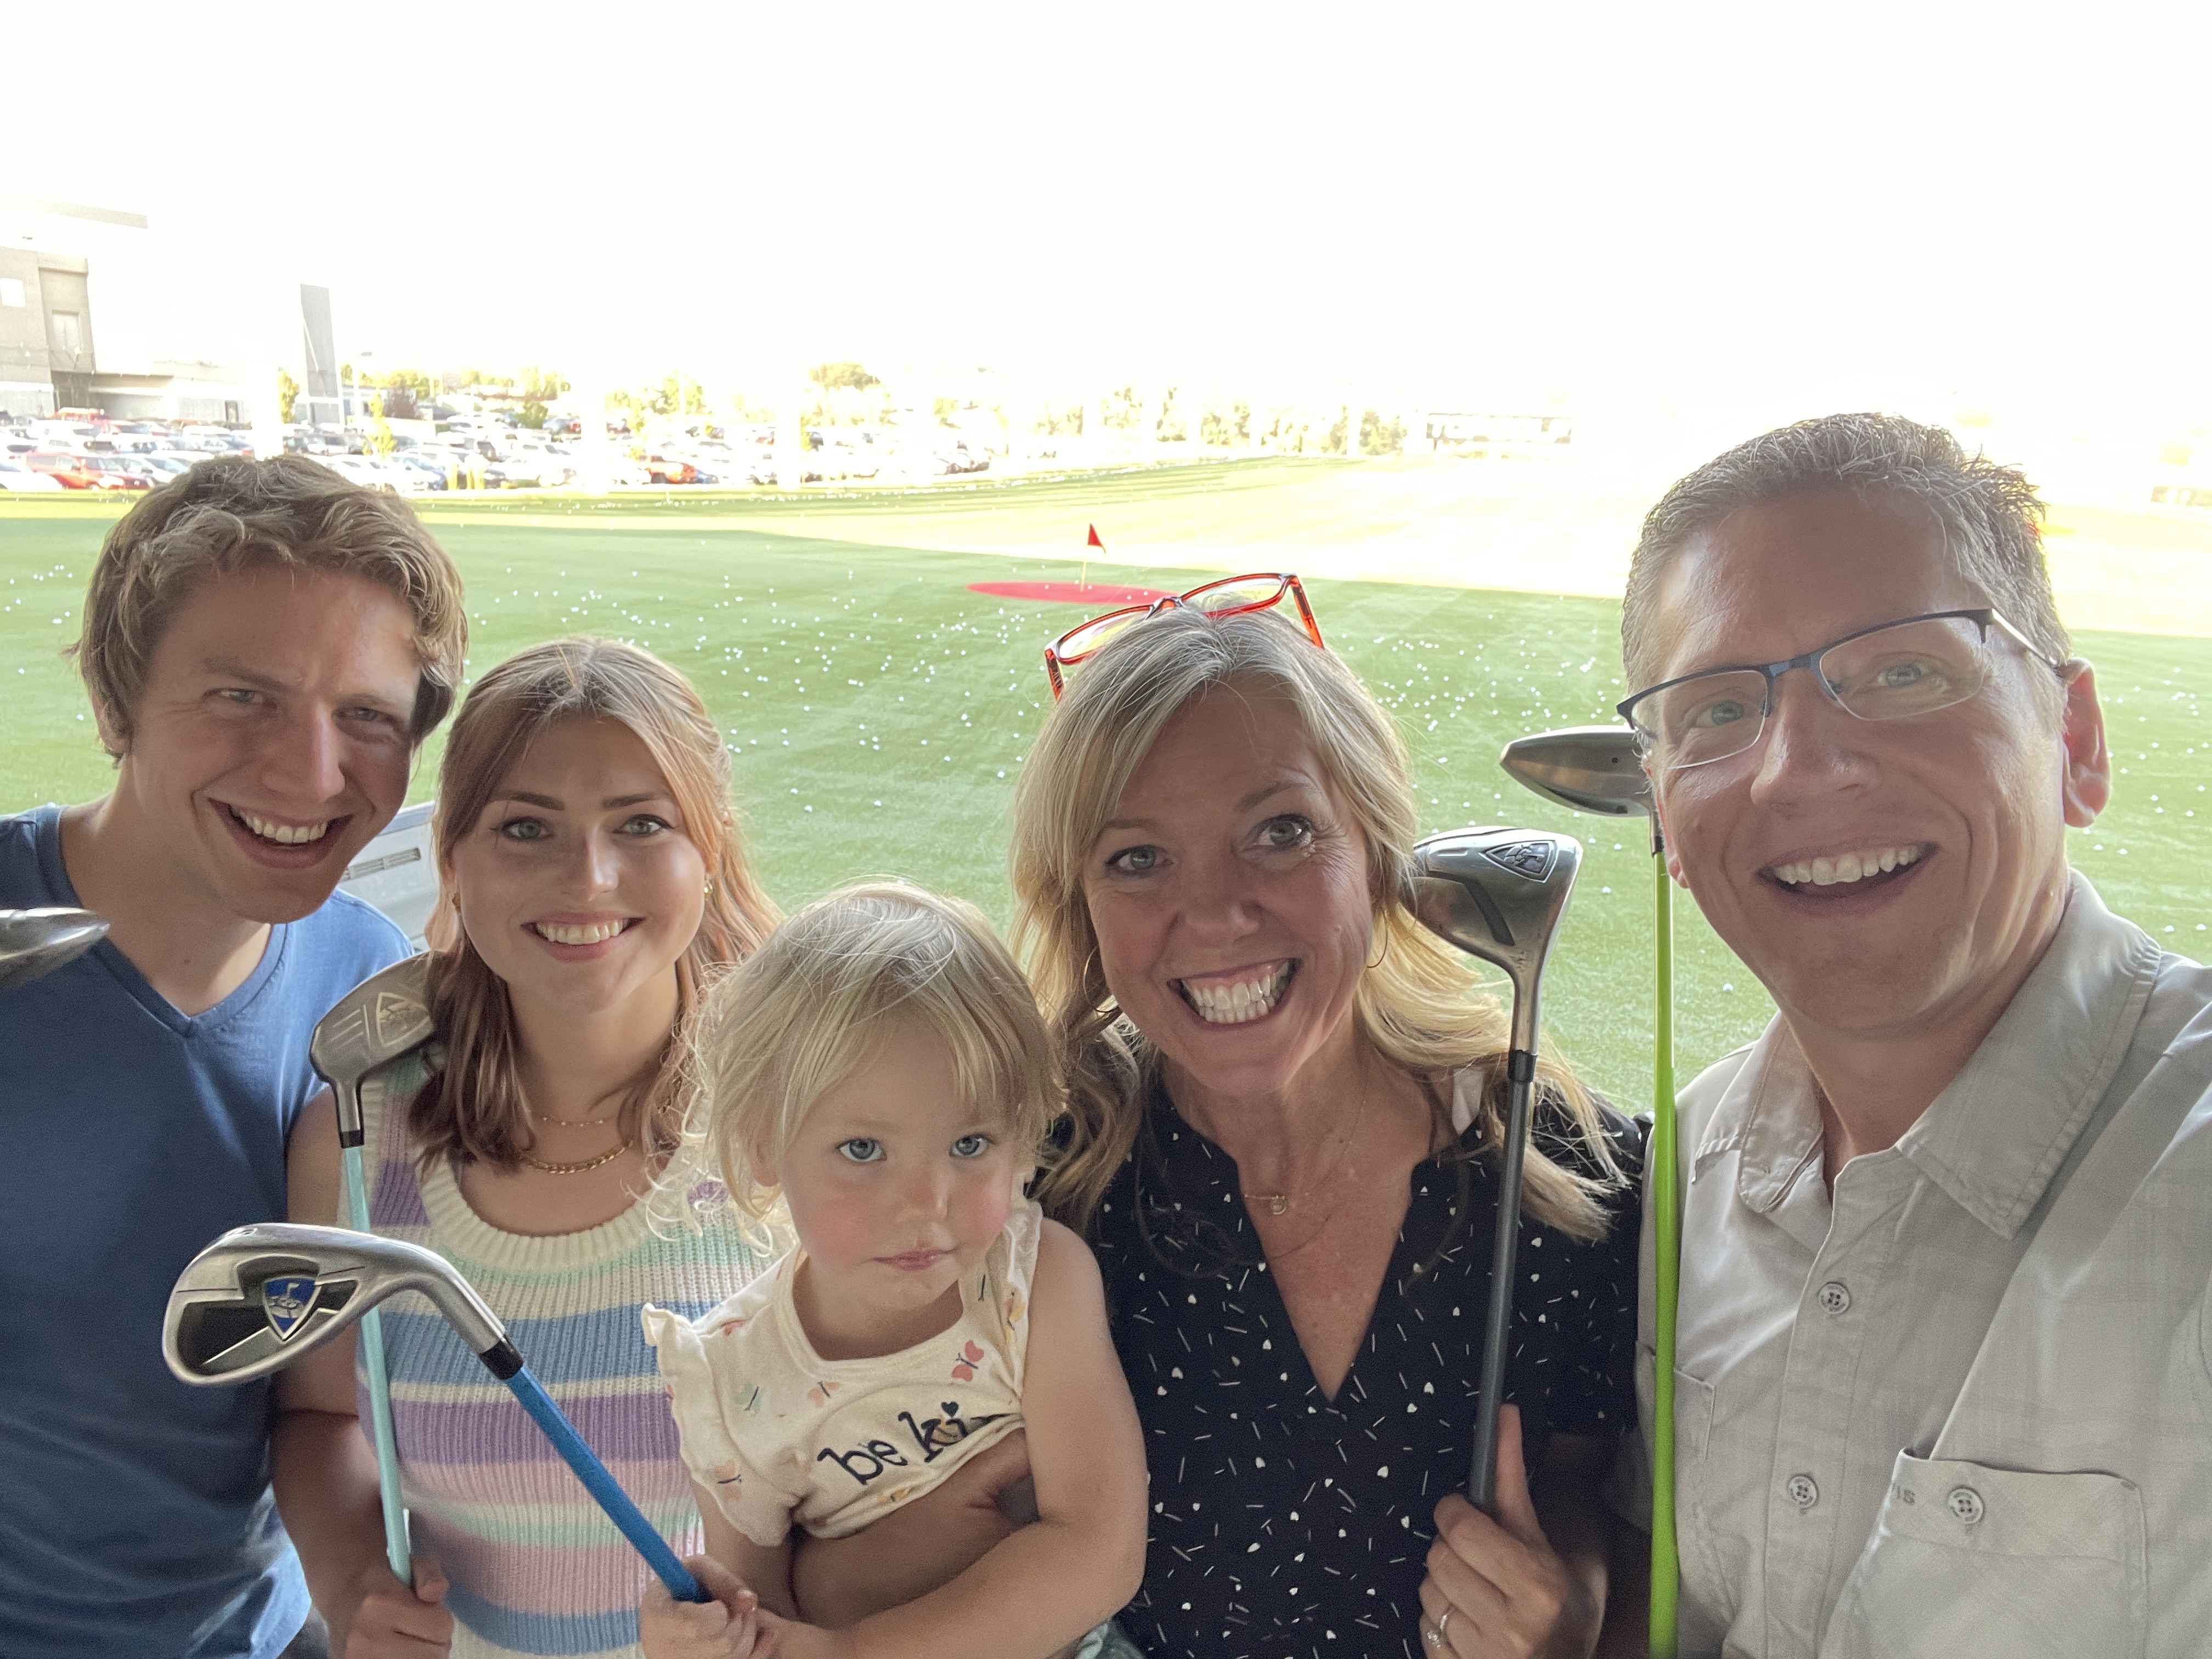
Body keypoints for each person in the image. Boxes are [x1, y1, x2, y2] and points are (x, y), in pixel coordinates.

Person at [1616, 412, 2212, 1658]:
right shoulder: (1686, 1169)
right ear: (1663, 813)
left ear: (2076, 744)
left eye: (1902, 673)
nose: (1799, 767)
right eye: (1717, 709)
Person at [993, 577, 1640, 1659]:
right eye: (1137, 857)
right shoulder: (1036, 1186)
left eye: (1280, 832)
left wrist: (1570, 1609)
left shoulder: (1565, 1168)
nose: (1216, 913)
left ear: (1378, 857)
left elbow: (1591, 1490)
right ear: (1082, 905)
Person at [0, 457, 467, 1659]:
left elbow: (322, 1396)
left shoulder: (377, 993)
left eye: (367, 717)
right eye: (242, 698)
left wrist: (357, 1582)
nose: (313, 774)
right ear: (115, 703)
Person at [273, 637, 780, 1659]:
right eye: (525, 827)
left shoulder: (797, 1127)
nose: (588, 877)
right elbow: (317, 1417)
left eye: (642, 824)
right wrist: (347, 1577)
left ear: (712, 852)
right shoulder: (358, 1140)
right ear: (453, 861)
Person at [636, 882, 1149, 1659]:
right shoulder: (730, 1381)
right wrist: (707, 1637)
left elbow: (1099, 1549)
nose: (926, 1204)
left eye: (970, 1144)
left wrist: (857, 1649)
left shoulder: (1035, 1282)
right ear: (762, 1142)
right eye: (863, 1150)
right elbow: (761, 1617)